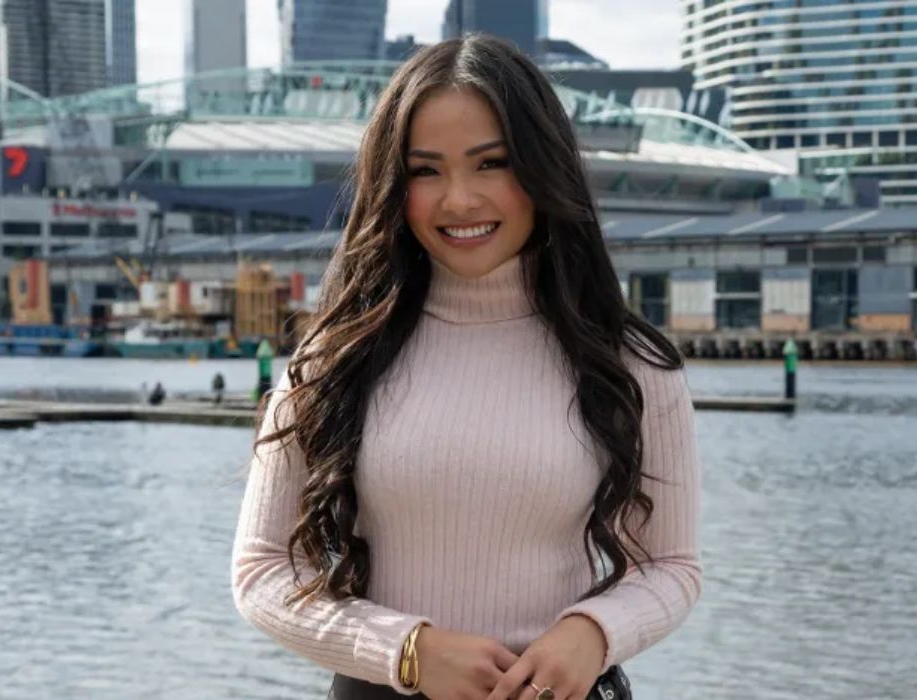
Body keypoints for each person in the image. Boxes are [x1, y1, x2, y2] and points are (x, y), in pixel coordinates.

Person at [231, 35, 701, 700]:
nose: (459, 200)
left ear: (544, 169)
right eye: (426, 171)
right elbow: (263, 570)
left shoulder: (630, 363)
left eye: (492, 164)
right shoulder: (336, 356)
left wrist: (594, 631)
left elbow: (673, 565)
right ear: (395, 186)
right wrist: (408, 650)